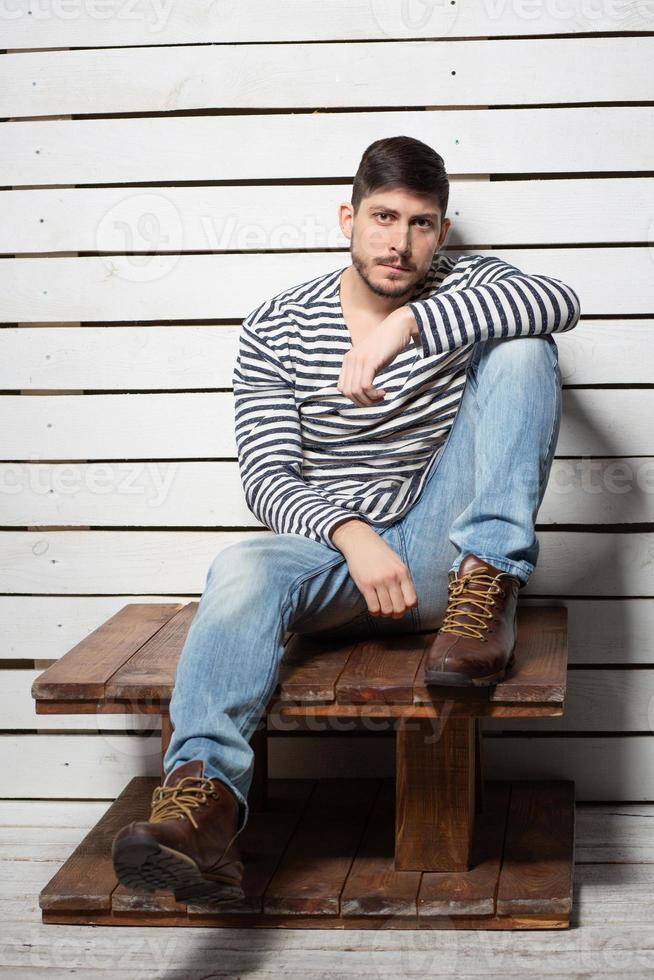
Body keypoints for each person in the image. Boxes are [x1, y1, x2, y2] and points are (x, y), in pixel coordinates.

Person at [111, 135, 581, 904]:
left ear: (444, 233)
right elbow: (266, 473)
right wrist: (350, 535)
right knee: (239, 569)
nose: (400, 242)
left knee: (525, 346)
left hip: (446, 554)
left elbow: (560, 299)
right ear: (348, 217)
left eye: (422, 224)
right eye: (385, 217)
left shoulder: (468, 288)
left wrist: (410, 326)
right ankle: (203, 810)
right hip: (340, 560)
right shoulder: (279, 325)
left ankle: (490, 582)